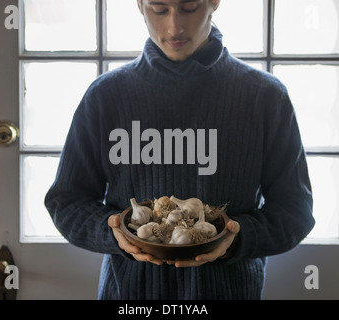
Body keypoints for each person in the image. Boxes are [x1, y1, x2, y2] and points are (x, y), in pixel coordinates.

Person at [45, 0, 315, 300]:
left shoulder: (265, 97)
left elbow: (295, 212)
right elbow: (66, 201)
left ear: (214, 2)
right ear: (139, 4)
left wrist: (235, 239)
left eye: (189, 7)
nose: (174, 27)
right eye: (159, 9)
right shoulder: (106, 96)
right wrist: (114, 233)